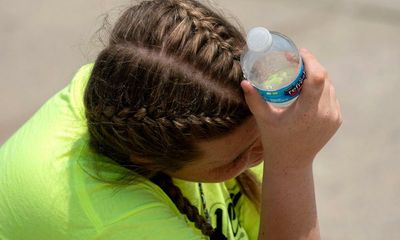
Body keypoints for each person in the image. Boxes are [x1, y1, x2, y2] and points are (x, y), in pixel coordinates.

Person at [0, 0, 342, 239]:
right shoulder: (106, 219)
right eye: (238, 157)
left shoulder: (143, 84)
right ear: (148, 159)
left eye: (261, 138)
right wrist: (292, 164)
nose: (266, 153)